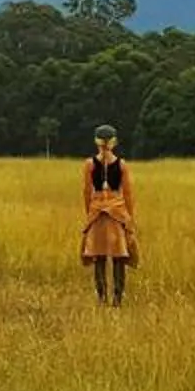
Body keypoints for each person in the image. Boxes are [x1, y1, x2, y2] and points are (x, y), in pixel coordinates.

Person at [79, 123, 136, 305]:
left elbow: (87, 191)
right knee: (119, 257)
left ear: (96, 142)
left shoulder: (89, 164)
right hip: (117, 213)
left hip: (97, 213)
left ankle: (101, 298)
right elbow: (128, 193)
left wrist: (90, 213)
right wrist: (129, 218)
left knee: (99, 257)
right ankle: (117, 299)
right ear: (114, 142)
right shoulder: (121, 164)